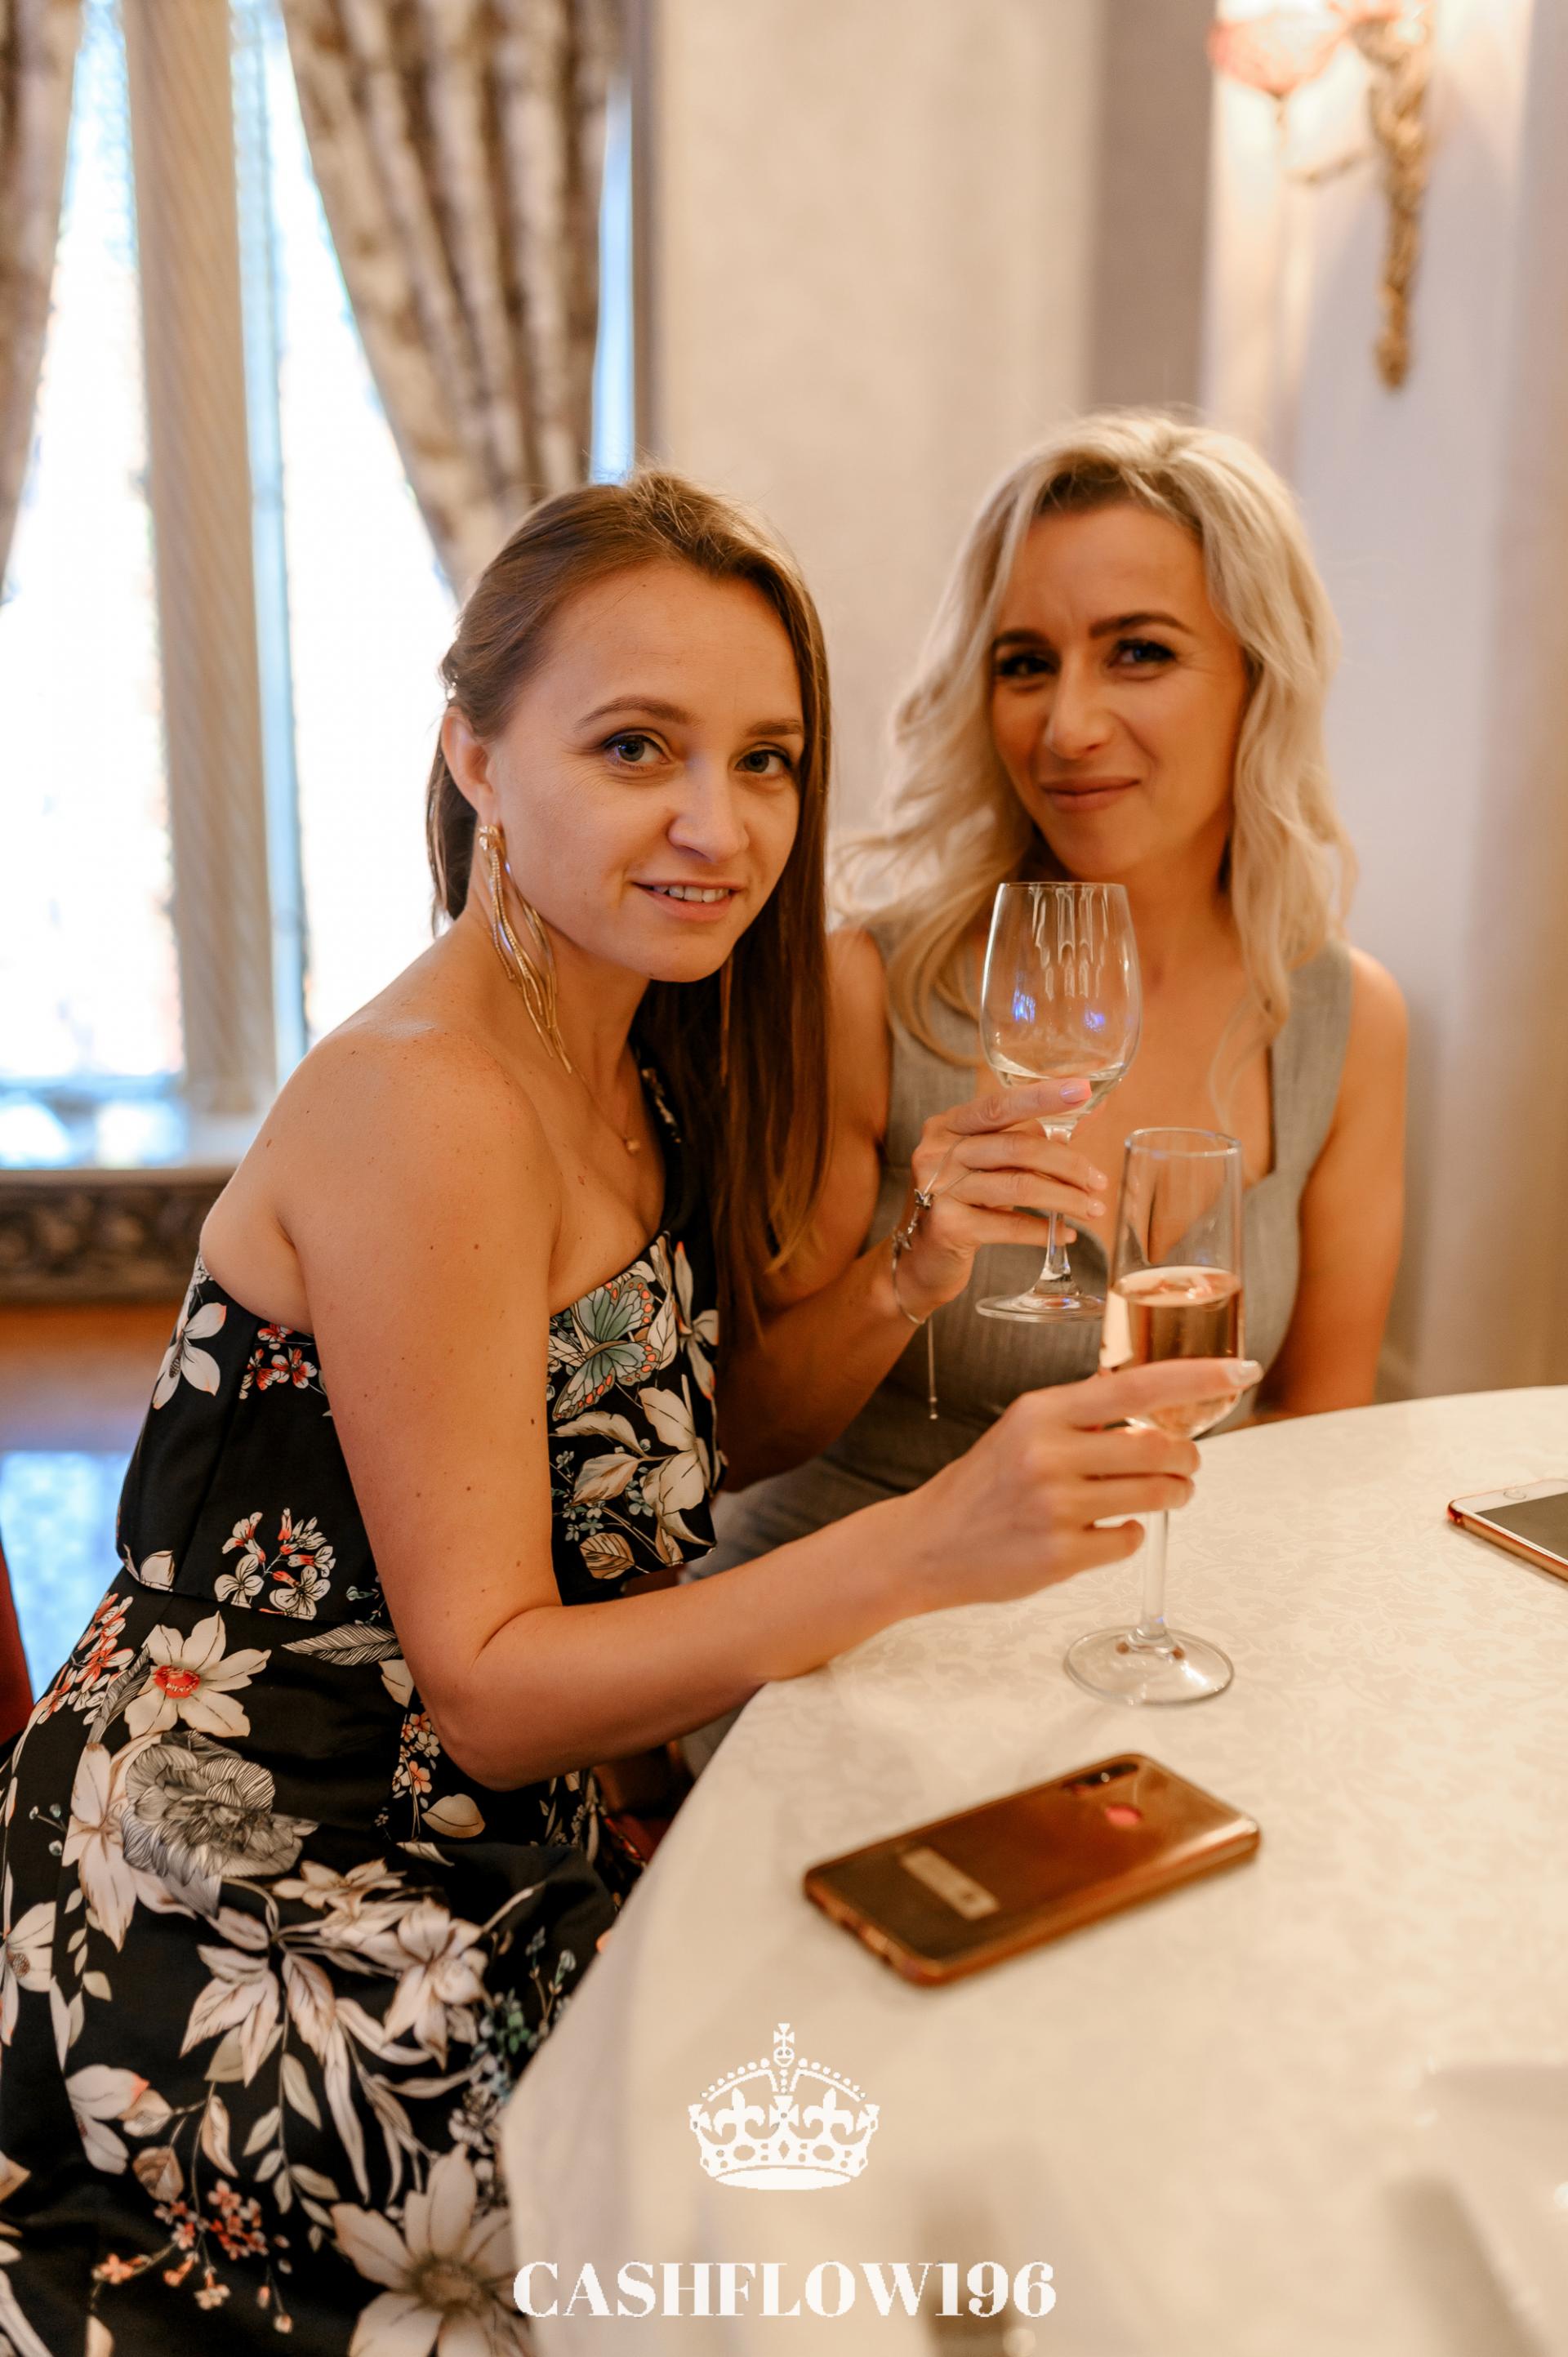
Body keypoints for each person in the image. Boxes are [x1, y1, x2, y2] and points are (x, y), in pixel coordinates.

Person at [0, 470, 1246, 2355]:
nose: (717, 825)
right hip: (269, 1903)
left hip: (501, 1834)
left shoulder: (623, 1050)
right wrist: (934, 1542)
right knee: (858, 2212)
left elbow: (675, 1452)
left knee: (1015, 2026)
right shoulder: (430, 1102)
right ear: (477, 758)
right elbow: (493, 1684)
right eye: (636, 747)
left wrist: (911, 1268)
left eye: (767, 761)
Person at [703, 412, 1405, 1603]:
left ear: (1260, 675)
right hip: (852, 1613)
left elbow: (1317, 1430)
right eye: (1026, 663)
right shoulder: (871, 989)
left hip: (1156, 1613)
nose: (1067, 727)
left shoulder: (1347, 1021)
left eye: (1138, 652)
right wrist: (906, 1272)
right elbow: (742, 1435)